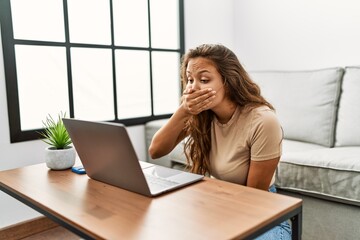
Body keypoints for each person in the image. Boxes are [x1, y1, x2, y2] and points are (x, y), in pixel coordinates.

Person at [148, 44, 291, 239]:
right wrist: (183, 110)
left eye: (204, 79)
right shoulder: (200, 115)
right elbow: (156, 150)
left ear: (228, 81)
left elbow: (254, 201)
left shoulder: (262, 121)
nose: (193, 87)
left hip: (262, 213)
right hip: (219, 203)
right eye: (190, 80)